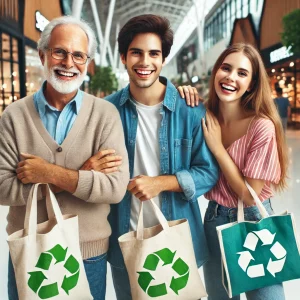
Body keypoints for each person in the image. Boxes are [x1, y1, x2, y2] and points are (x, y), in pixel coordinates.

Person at [0, 16, 129, 300]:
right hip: (29, 248)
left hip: (89, 252)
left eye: (78, 55)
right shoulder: (14, 116)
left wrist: (48, 173)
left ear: (87, 62)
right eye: (60, 51)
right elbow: (2, 188)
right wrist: (83, 175)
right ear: (43, 54)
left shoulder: (105, 115)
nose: (69, 63)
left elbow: (115, 187)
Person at [103, 14, 219, 300]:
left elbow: (207, 172)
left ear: (164, 59)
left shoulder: (189, 110)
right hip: (125, 238)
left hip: (178, 240)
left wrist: (161, 183)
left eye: (154, 53)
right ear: (123, 57)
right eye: (136, 53)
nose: (145, 62)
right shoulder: (106, 112)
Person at [179, 43, 288, 300]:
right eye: (226, 68)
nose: (230, 77)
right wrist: (181, 92)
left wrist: (218, 148)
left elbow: (250, 195)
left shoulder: (261, 126)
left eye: (242, 73)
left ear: (251, 84)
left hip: (254, 220)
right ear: (216, 72)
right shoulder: (203, 117)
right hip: (214, 220)